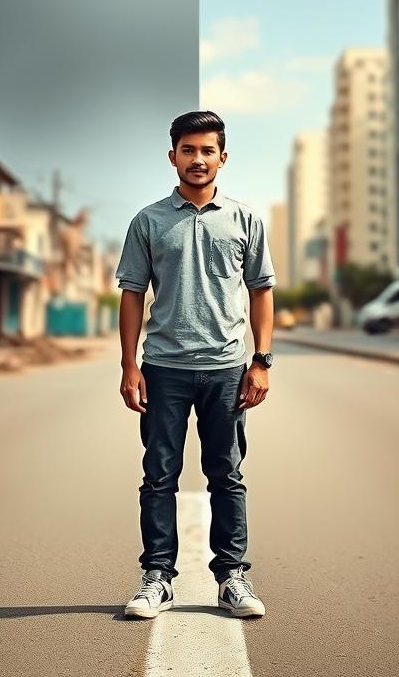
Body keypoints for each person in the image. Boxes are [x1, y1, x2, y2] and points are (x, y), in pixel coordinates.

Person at [115, 110, 276, 620]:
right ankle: (157, 578)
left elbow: (261, 291)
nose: (198, 159)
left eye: (208, 150)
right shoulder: (148, 220)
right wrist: (129, 366)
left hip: (227, 368)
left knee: (225, 474)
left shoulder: (245, 220)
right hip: (163, 367)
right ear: (173, 157)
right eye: (188, 150)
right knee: (158, 475)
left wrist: (262, 361)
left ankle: (232, 578)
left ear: (222, 158)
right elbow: (132, 293)